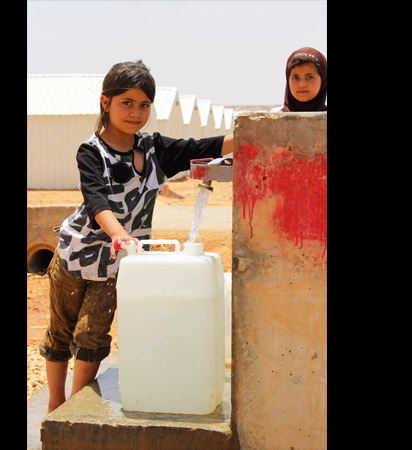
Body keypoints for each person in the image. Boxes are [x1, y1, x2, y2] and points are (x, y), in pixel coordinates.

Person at [39, 60, 233, 413]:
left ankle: (77, 408)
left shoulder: (156, 149)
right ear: (105, 102)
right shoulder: (91, 151)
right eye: (126, 102)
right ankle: (56, 401)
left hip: (117, 264)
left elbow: (209, 144)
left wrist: (263, 132)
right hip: (75, 254)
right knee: (61, 332)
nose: (136, 112)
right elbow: (95, 198)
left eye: (144, 104)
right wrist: (118, 235)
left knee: (92, 335)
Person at [271, 47, 327, 112]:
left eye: (309, 77)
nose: (302, 85)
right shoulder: (273, 118)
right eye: (295, 78)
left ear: (323, 80)